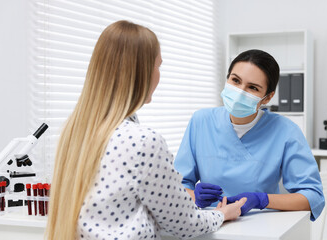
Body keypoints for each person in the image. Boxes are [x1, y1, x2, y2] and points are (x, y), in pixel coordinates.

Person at [46, 20, 247, 240]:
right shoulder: (142, 141)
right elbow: (184, 224)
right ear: (140, 72)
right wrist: (222, 214)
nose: (159, 75)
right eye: (157, 66)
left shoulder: (73, 133)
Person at [174, 49, 325, 221]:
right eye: (235, 80)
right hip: (209, 222)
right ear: (227, 78)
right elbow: (177, 185)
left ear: (267, 97)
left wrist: (262, 200)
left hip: (261, 224)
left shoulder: (286, 131)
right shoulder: (201, 121)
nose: (240, 92)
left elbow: (312, 197)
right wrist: (195, 197)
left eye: (252, 88)